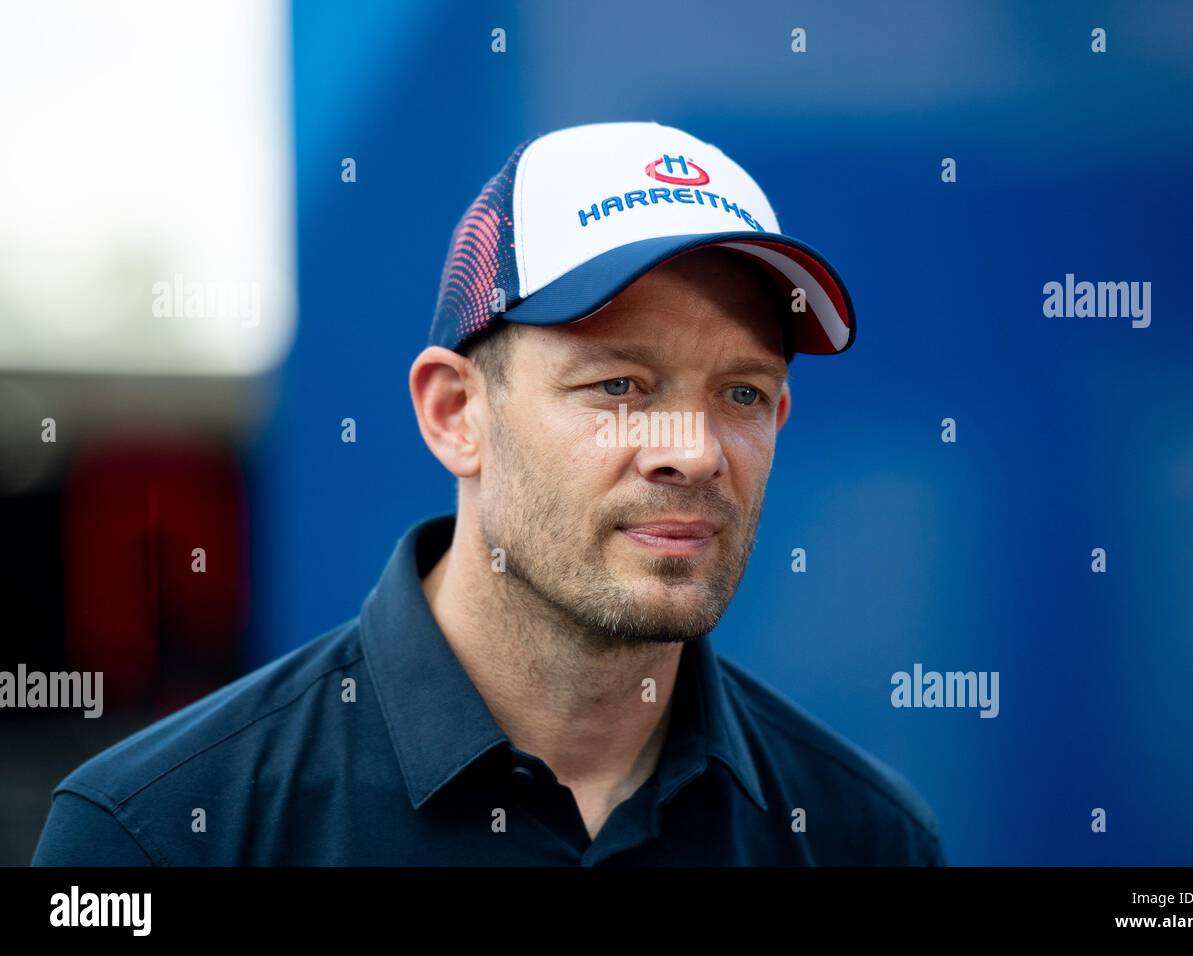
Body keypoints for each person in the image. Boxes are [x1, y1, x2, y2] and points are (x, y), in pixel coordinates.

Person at [32, 121, 945, 865]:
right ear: (454, 413)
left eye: (740, 394)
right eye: (618, 386)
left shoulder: (864, 836)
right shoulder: (160, 833)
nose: (694, 453)